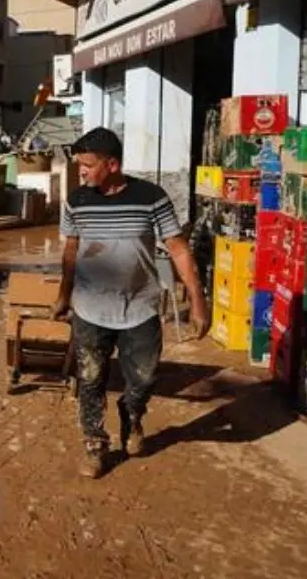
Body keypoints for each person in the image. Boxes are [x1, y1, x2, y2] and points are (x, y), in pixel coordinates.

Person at [53, 128, 209, 479]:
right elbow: (71, 249)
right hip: (90, 308)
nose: (82, 172)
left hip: (139, 307)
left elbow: (179, 249)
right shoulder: (77, 200)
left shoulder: (151, 197)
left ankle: (132, 413)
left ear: (112, 164)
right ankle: (95, 444)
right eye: (79, 165)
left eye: (88, 166)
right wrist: (64, 295)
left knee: (145, 377)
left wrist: (198, 299)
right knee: (90, 378)